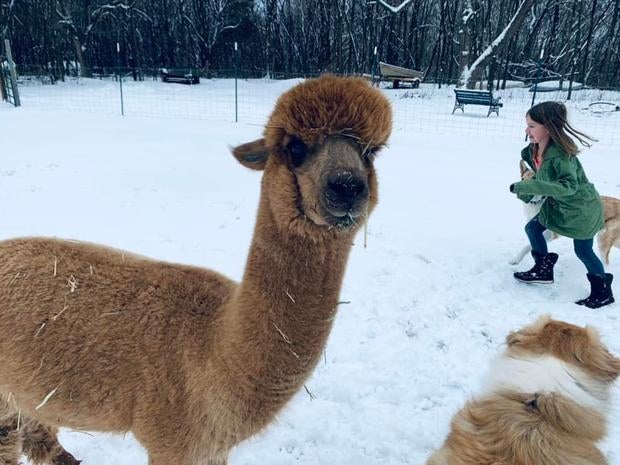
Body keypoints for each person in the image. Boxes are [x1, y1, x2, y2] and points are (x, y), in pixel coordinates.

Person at [509, 101, 614, 309]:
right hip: (558, 206)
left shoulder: (561, 157)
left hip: (581, 209)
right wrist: (527, 190)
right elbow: (541, 180)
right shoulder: (533, 151)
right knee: (533, 228)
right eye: (527, 125)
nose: (526, 130)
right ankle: (543, 268)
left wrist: (531, 186)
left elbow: (567, 187)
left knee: (583, 251)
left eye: (532, 126)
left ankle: (603, 292)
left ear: (547, 128)